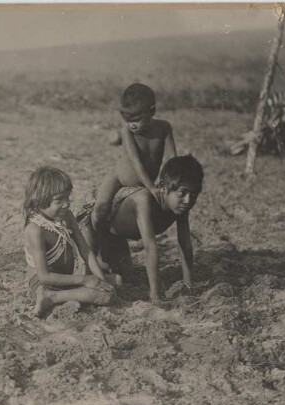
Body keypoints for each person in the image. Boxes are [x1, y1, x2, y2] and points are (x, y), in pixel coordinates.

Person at [79, 155, 203, 308]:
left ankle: (103, 266)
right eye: (182, 193)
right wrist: (155, 295)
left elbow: (184, 243)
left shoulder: (181, 207)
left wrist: (188, 282)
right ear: (164, 188)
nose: (188, 201)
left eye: (193, 195)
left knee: (125, 275)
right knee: (83, 277)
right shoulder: (143, 200)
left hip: (114, 236)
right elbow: (150, 247)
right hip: (88, 223)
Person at [23, 166, 118, 316]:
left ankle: (65, 295)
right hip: (45, 284)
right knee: (106, 296)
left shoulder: (66, 216)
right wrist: (84, 280)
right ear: (39, 201)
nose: (66, 204)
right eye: (59, 200)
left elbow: (85, 250)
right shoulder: (36, 230)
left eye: (67, 197)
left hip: (66, 279)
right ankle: (50, 297)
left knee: (115, 282)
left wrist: (100, 280)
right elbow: (44, 276)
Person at [92, 83, 177, 233]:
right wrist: (151, 187)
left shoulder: (164, 128)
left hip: (145, 182)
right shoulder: (127, 132)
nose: (132, 125)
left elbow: (172, 159)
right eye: (128, 120)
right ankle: (100, 239)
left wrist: (169, 183)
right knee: (100, 212)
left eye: (136, 120)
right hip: (118, 178)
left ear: (152, 111)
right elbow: (136, 162)